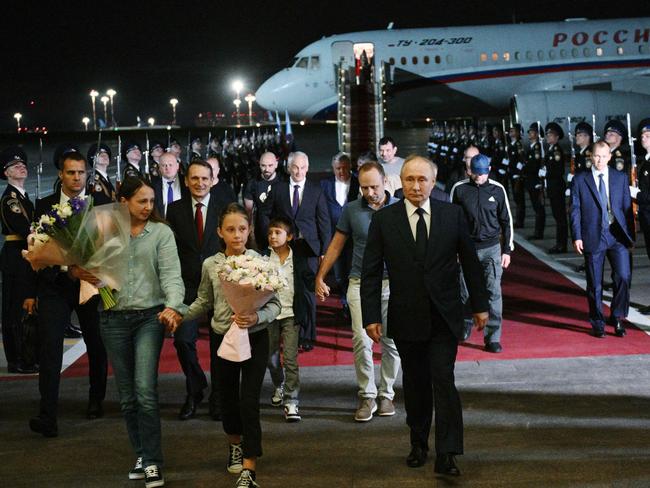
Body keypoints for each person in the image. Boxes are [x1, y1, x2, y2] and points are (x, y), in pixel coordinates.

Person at [361, 155, 489, 476]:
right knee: (416, 383)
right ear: (399, 183)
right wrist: (371, 315)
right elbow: (371, 272)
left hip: (445, 315)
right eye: (409, 180)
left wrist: (480, 304)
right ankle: (418, 443)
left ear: (433, 183)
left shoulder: (452, 215)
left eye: (422, 180)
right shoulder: (384, 220)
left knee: (444, 381)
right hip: (406, 316)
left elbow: (471, 263)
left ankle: (448, 452)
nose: (415, 186)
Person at [177, 203, 281, 488]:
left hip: (255, 337)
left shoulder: (260, 262)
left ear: (249, 231)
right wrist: (179, 315)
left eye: (242, 229)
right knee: (227, 398)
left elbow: (276, 303)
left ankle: (250, 464)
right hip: (222, 338)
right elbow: (204, 301)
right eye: (231, 230)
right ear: (220, 232)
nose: (237, 235)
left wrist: (257, 315)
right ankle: (234, 443)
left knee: (249, 399)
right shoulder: (211, 264)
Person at [98, 176, 186, 488]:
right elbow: (91, 275)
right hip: (112, 318)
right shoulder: (106, 229)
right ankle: (140, 453)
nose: (149, 207)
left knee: (145, 391)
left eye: (151, 201)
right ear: (123, 201)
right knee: (126, 397)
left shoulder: (161, 233)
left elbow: (172, 275)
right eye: (142, 201)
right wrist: (77, 270)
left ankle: (152, 462)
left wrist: (173, 306)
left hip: (150, 317)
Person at [30, 151, 108, 438]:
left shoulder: (101, 205)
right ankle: (47, 414)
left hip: (92, 285)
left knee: (96, 343)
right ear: (60, 175)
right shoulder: (44, 206)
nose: (77, 177)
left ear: (87, 174)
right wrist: (66, 268)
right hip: (55, 287)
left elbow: (113, 247)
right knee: (49, 348)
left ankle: (95, 399)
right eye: (71, 172)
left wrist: (95, 271)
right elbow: (37, 250)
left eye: (81, 172)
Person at [316, 161, 401, 422]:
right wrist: (321, 275)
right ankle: (367, 395)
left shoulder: (400, 207)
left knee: (391, 342)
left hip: (393, 283)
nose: (369, 192)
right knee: (360, 340)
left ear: (385, 182)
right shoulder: (352, 210)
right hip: (359, 281)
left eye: (374, 186)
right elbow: (336, 245)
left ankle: (386, 394)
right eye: (364, 187)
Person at [166, 161, 224, 421]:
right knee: (182, 340)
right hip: (188, 287)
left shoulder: (225, 208)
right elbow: (171, 250)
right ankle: (195, 387)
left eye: (204, 178)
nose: (200, 183)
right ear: (186, 181)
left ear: (213, 180)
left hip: (220, 285)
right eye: (194, 178)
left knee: (219, 344)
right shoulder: (175, 210)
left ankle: (218, 397)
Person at [264, 151, 330, 352]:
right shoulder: (278, 189)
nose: (299, 171)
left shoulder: (316, 190)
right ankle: (286, 332)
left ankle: (307, 335)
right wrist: (271, 237)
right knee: (286, 290)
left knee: (308, 293)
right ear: (289, 168)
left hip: (309, 249)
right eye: (295, 167)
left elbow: (324, 222)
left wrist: (324, 251)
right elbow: (265, 214)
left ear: (307, 169)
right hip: (284, 248)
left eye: (303, 168)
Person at [570, 140, 634, 338]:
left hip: (616, 236)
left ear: (609, 157)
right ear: (591, 156)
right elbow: (575, 209)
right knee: (595, 283)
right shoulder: (580, 180)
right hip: (592, 235)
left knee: (623, 276)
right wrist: (577, 236)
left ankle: (617, 316)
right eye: (596, 155)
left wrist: (630, 236)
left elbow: (626, 209)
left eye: (604, 156)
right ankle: (597, 321)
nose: (600, 160)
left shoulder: (620, 177)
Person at [451, 154, 513, 352]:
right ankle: (465, 325)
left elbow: (507, 221)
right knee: (463, 292)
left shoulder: (498, 189)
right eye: (476, 174)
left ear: (489, 169)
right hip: (466, 249)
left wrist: (507, 250)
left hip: (492, 248)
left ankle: (493, 337)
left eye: (483, 174)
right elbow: (451, 222)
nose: (480, 178)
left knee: (493, 293)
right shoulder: (459, 189)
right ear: (470, 171)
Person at [265, 216, 308, 422]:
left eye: (278, 232)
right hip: (270, 315)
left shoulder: (297, 258)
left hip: (291, 314)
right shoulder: (263, 258)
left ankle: (292, 401)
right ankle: (279, 384)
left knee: (291, 359)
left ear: (289, 236)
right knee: (271, 358)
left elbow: (307, 279)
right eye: (270, 232)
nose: (273, 236)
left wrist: (319, 284)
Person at [0, 147, 37, 374]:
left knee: (26, 306)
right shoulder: (9, 200)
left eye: (22, 164)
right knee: (15, 308)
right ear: (6, 173)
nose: (21, 167)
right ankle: (16, 359)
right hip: (16, 254)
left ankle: (28, 354)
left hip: (26, 253)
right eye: (15, 166)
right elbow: (23, 228)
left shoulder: (22, 196)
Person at [320, 152, 359, 317]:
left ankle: (352, 304)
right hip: (334, 237)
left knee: (354, 271)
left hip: (355, 237)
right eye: (338, 168)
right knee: (339, 273)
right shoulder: (325, 185)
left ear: (350, 167)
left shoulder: (359, 182)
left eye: (344, 168)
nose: (341, 172)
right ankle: (345, 301)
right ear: (333, 169)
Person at [243, 152, 283, 250]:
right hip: (261, 231)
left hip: (281, 229)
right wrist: (249, 233)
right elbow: (248, 211)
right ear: (259, 165)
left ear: (276, 165)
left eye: (270, 165)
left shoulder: (284, 182)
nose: (267, 169)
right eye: (263, 166)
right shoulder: (253, 184)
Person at [633, 118, 650, 314]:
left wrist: (636, 194)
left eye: (648, 136)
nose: (644, 139)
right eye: (643, 136)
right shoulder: (646, 161)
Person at [544, 122, 568, 254]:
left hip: (557, 187)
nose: (547, 136)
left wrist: (546, 173)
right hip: (553, 187)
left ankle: (561, 245)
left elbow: (558, 171)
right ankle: (559, 243)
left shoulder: (557, 151)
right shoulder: (551, 149)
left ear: (557, 137)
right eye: (547, 134)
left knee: (560, 218)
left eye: (550, 134)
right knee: (557, 216)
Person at [524, 123, 546, 240]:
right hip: (531, 181)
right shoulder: (532, 147)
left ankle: (539, 233)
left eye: (532, 132)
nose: (529, 133)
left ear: (537, 134)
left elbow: (535, 166)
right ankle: (537, 232)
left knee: (539, 208)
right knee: (536, 208)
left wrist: (540, 181)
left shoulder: (538, 148)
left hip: (535, 182)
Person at [152, 152, 188, 217]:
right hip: (162, 224)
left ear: (177, 166)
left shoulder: (187, 183)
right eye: (163, 165)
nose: (167, 168)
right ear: (159, 168)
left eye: (170, 165)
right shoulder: (153, 186)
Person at [507, 124, 526, 228]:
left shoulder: (518, 145)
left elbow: (521, 160)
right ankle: (518, 220)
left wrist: (517, 173)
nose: (511, 133)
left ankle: (520, 221)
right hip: (512, 174)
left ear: (518, 133)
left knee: (519, 200)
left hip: (517, 175)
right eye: (510, 131)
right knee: (516, 199)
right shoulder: (511, 144)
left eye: (513, 131)